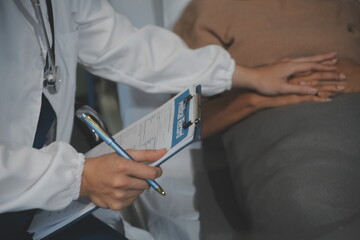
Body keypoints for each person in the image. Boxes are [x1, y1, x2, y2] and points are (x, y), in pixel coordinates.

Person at [0, 0, 345, 239]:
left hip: (40, 207)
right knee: (307, 203)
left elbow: (124, 46)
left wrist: (246, 75)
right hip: (18, 191)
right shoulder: (214, 10)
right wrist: (78, 177)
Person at [173, 0, 360, 239]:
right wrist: (252, 99)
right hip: (272, 119)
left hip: (350, 101)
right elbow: (184, 120)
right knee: (310, 204)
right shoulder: (210, 8)